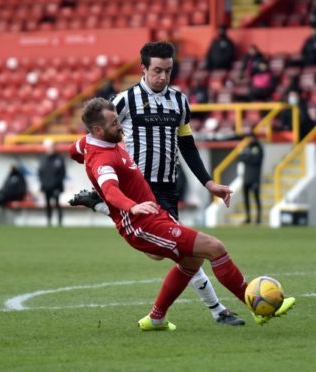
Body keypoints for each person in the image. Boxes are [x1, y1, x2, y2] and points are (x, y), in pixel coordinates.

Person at [72, 97, 295, 330]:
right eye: (114, 123)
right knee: (214, 248)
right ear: (98, 129)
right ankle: (257, 308)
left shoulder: (89, 143)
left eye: (118, 120)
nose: (120, 125)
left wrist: (86, 156)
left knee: (192, 260)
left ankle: (156, 318)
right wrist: (131, 206)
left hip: (153, 213)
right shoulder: (103, 160)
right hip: (141, 222)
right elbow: (109, 190)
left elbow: (75, 151)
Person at [69, 41, 244, 326]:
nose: (163, 77)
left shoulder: (179, 101)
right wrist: (86, 157)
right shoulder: (124, 100)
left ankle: (104, 209)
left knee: (165, 253)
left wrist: (208, 183)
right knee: (185, 251)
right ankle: (218, 311)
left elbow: (187, 145)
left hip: (167, 184)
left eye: (168, 70)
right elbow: (99, 135)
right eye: (157, 71)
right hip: (139, 186)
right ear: (144, 69)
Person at [38, 138, 66, 227]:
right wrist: (43, 183)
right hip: (46, 186)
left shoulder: (59, 159)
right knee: (47, 204)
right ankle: (49, 220)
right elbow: (40, 172)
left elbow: (62, 172)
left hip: (56, 186)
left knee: (57, 203)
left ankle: (59, 221)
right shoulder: (44, 159)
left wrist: (57, 183)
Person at [238, 133, 264, 224]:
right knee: (246, 199)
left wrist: (247, 157)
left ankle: (258, 219)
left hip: (255, 178)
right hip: (246, 178)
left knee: (256, 198)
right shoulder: (247, 147)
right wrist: (249, 157)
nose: (250, 140)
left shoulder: (259, 148)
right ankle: (248, 218)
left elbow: (256, 160)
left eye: (251, 138)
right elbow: (240, 157)